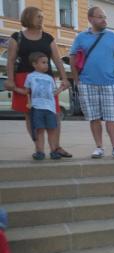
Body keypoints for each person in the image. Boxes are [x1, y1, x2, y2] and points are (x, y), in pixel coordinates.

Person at [5, 6, 72, 158]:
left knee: (54, 113)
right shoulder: (17, 37)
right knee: (30, 115)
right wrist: (10, 79)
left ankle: (56, 148)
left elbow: (58, 61)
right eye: (38, 16)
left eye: (42, 16)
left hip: (46, 80)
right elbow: (10, 61)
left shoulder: (48, 38)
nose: (42, 19)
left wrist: (65, 78)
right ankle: (39, 149)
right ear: (28, 17)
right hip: (24, 79)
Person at [70, 6, 114, 159]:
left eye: (105, 17)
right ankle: (99, 147)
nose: (104, 20)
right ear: (91, 19)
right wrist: (77, 81)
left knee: (111, 117)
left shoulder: (112, 36)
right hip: (87, 83)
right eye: (100, 17)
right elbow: (72, 58)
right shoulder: (81, 37)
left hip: (109, 83)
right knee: (94, 118)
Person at [14, 52, 67, 160]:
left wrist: (61, 88)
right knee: (39, 130)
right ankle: (40, 151)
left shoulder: (50, 78)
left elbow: (53, 94)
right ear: (34, 64)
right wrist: (14, 88)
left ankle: (53, 151)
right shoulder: (30, 77)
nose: (46, 65)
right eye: (43, 62)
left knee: (52, 130)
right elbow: (26, 91)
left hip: (50, 109)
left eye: (47, 63)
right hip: (37, 108)